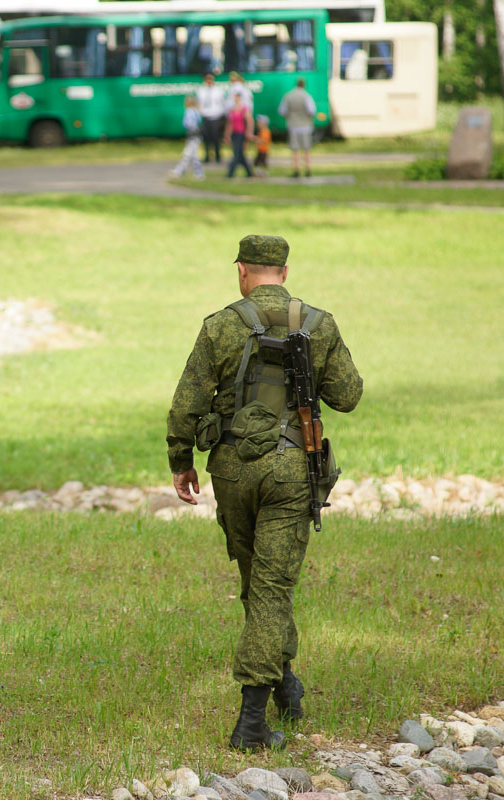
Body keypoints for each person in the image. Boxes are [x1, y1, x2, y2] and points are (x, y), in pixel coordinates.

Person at [165, 234, 363, 751]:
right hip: (292, 471)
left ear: (242, 272)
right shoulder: (319, 324)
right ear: (285, 270)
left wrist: (181, 462)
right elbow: (347, 396)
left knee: (260, 584)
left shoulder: (220, 325)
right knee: (272, 588)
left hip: (231, 469)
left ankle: (286, 687)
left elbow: (186, 404)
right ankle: (252, 723)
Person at [278, 78, 317, 178]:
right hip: (305, 125)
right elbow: (311, 111)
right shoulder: (306, 96)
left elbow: (282, 111)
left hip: (293, 125)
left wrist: (291, 115)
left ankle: (296, 169)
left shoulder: (288, 96)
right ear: (304, 85)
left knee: (295, 150)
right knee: (306, 149)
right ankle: (308, 169)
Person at [169, 94, 205, 180]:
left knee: (188, 154)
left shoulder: (189, 111)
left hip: (192, 135)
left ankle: (182, 171)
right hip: (195, 136)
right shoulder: (196, 111)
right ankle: (185, 171)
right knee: (191, 155)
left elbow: (187, 124)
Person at [195, 72, 227, 164]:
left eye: (211, 79)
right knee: (206, 138)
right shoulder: (201, 90)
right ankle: (207, 156)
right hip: (205, 116)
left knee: (216, 138)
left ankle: (217, 156)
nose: (209, 81)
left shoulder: (218, 90)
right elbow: (199, 104)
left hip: (216, 117)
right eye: (207, 79)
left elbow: (222, 103)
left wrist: (222, 116)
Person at [225, 93, 254, 179]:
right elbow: (230, 123)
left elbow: (250, 121)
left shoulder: (244, 109)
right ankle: (249, 172)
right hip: (234, 133)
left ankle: (230, 172)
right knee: (240, 154)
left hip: (241, 133)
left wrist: (249, 132)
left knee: (237, 153)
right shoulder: (232, 109)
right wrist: (227, 134)